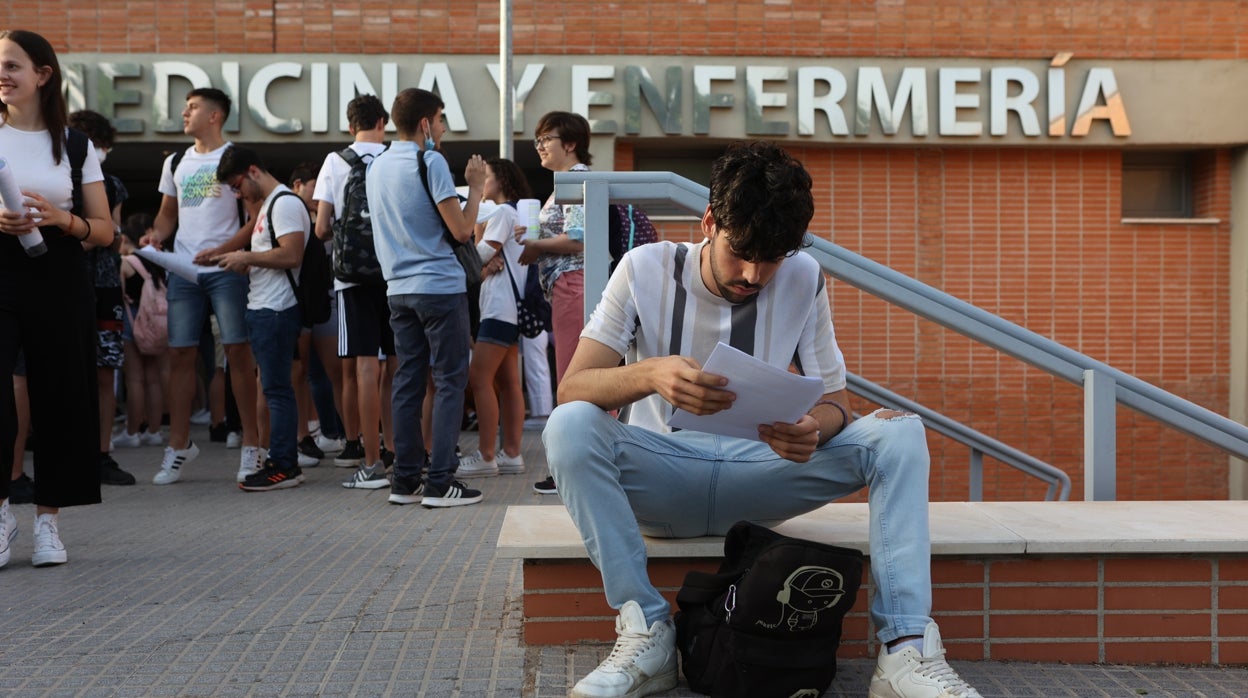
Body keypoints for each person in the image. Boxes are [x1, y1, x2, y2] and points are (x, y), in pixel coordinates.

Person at [544, 142, 984, 698]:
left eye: (772, 257)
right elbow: (574, 387)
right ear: (709, 222)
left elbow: (836, 401)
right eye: (742, 251)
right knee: (569, 426)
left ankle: (905, 652)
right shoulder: (644, 267)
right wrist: (650, 374)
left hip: (761, 473)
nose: (754, 273)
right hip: (661, 476)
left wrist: (814, 429)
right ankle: (647, 631)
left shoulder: (804, 277)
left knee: (900, 433)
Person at [0, 29, 113, 568]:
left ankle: (49, 522)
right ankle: (2, 513)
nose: (2, 75)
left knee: (61, 395)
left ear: (43, 74)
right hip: (0, 270)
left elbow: (105, 230)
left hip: (60, 271)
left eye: (12, 65)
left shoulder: (74, 144)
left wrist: (60, 219)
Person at [366, 87, 484, 508]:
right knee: (451, 380)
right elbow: (462, 230)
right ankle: (440, 481)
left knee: (408, 381)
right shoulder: (430, 160)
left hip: (398, 290)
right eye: (440, 120)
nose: (443, 128)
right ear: (424, 124)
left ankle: (404, 479)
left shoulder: (376, 167)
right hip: (439, 287)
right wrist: (475, 188)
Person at [142, 87, 262, 486]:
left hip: (226, 269)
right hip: (182, 270)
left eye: (192, 108)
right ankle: (178, 446)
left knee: (238, 354)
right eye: (185, 106)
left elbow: (256, 216)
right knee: (180, 355)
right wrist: (154, 237)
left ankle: (252, 444)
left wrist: (223, 250)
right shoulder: (176, 160)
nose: (184, 113)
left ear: (215, 116)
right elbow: (166, 215)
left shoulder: (236, 159)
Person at [213, 145, 312, 491]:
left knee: (277, 391)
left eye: (237, 185)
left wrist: (246, 259)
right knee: (274, 389)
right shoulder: (271, 205)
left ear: (253, 171)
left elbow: (291, 254)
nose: (237, 193)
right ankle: (281, 461)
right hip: (266, 309)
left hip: (276, 311)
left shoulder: (283, 204)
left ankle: (284, 465)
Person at [312, 94, 396, 489]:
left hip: (352, 278)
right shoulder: (395, 157)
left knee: (365, 367)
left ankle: (371, 460)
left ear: (350, 126)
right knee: (396, 365)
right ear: (383, 122)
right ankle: (397, 448)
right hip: (396, 274)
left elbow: (321, 228)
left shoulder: (335, 161)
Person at [518, 110, 593, 496]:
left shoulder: (577, 179)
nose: (541, 147)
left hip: (573, 284)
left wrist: (535, 246)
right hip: (567, 286)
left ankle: (571, 470)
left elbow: (579, 239)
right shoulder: (564, 184)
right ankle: (573, 467)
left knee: (573, 378)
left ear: (570, 143)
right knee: (573, 376)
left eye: (546, 138)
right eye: (538, 140)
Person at [68, 108, 136, 487]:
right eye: (95, 145)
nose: (99, 151)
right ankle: (69, 451)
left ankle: (102, 452)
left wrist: (104, 234)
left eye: (103, 145)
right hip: (63, 284)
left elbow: (114, 236)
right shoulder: (57, 179)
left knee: (105, 369)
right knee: (61, 369)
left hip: (105, 284)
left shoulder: (112, 185)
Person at [456, 158, 529, 478]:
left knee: (479, 378)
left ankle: (486, 455)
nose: (482, 182)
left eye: (487, 177)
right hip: (508, 309)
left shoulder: (501, 212)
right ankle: (511, 452)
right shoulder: (508, 213)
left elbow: (481, 253)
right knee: (508, 382)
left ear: (503, 180)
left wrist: (465, 260)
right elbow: (483, 261)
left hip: (498, 309)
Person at [115, 212, 171, 453]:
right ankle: (155, 431)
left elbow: (119, 295)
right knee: (154, 378)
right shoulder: (159, 262)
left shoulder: (127, 263)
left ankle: (132, 432)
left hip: (133, 322)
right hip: (158, 324)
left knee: (134, 379)